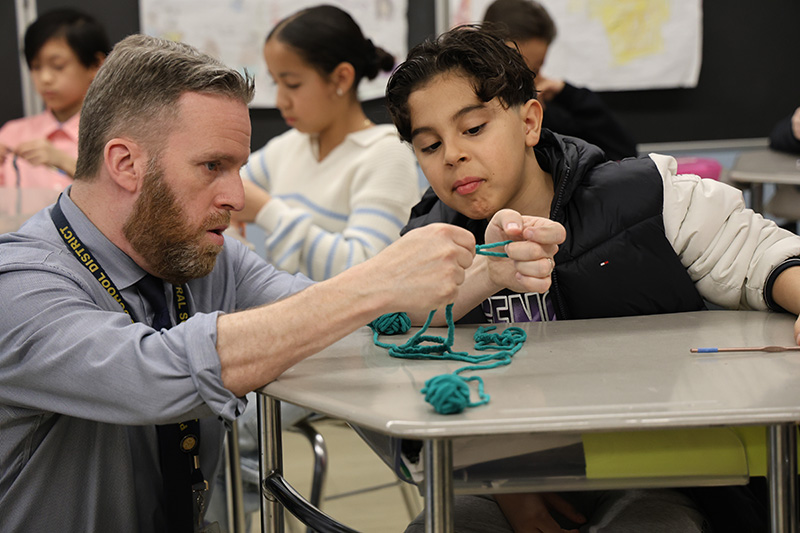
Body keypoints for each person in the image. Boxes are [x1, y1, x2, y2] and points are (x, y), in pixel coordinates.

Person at [0, 33, 555, 532]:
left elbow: (347, 326)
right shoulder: (21, 285)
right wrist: (375, 282)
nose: (237, 198)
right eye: (212, 167)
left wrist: (489, 271)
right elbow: (151, 375)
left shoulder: (207, 259)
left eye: (239, 169)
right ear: (124, 163)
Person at [385, 24, 800, 532]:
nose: (452, 155)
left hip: (658, 465)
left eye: (473, 129)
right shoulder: (426, 242)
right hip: (499, 471)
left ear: (530, 121)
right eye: (429, 146)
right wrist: (506, 486)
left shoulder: (644, 197)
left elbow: (762, 254)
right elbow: (394, 343)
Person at [235, 4, 421, 281]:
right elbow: (221, 191)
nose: (280, 102)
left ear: (341, 78)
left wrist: (267, 210)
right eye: (276, 84)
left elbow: (368, 272)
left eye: (293, 84)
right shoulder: (287, 148)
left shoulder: (385, 153)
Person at [482, 0, 638, 161]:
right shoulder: (474, 111)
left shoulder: (544, 114)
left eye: (535, 70)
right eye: (517, 68)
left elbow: (622, 151)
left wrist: (567, 94)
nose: (527, 81)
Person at [0, 8, 109, 190]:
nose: (45, 78)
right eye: (36, 67)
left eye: (58, 66)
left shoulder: (114, 134)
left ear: (96, 64)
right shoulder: (11, 135)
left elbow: (127, 200)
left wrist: (63, 162)